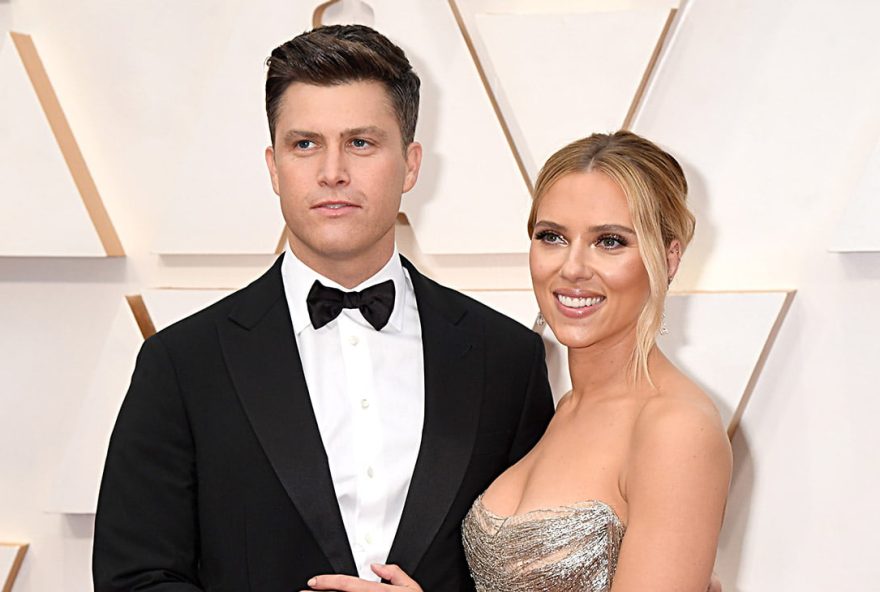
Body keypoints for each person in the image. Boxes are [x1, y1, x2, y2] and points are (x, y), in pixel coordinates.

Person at [92, 25, 554, 592]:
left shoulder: (507, 358)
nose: (332, 171)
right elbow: (134, 578)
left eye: (361, 142)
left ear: (410, 165)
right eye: (305, 144)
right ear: (273, 166)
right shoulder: (182, 364)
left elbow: (530, 575)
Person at [461, 131, 733, 591]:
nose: (572, 268)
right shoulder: (565, 409)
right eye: (552, 237)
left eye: (609, 241)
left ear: (668, 258)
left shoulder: (675, 428)